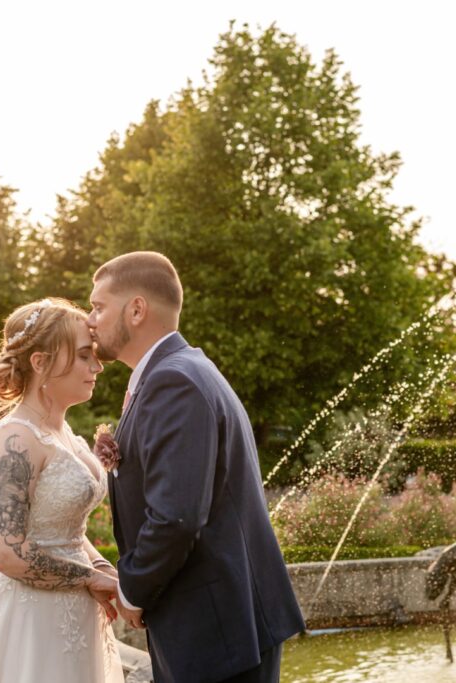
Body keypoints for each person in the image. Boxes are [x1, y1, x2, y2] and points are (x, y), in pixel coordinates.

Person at [87, 252, 306, 683]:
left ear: (136, 309)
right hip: (218, 623)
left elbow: (176, 517)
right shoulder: (179, 371)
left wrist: (133, 589)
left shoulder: (175, 382)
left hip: (216, 631)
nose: (90, 319)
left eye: (98, 306)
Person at [0, 298, 125, 682]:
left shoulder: (62, 434)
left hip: (72, 620)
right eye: (83, 356)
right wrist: (87, 578)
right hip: (23, 620)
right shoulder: (15, 440)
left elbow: (62, 531)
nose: (96, 367)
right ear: (40, 362)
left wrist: (98, 564)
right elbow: (5, 553)